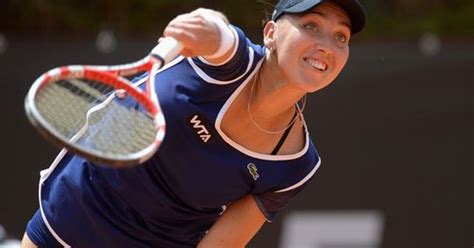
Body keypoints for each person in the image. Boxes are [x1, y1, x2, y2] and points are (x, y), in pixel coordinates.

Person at [21, 0, 366, 247]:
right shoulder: (231, 63)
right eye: (311, 25)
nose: (326, 45)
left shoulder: (296, 165)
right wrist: (203, 25)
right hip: (74, 214)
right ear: (271, 33)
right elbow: (216, 31)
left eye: (341, 37)